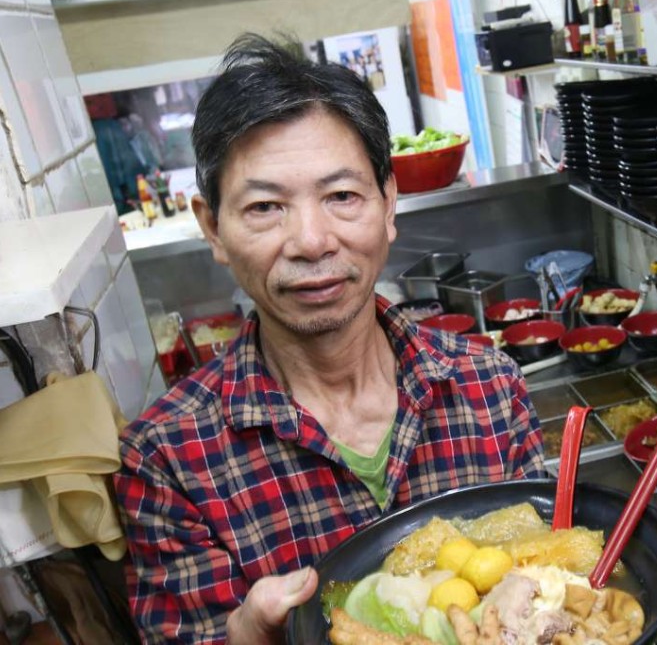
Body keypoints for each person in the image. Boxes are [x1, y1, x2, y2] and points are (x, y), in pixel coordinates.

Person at [114, 33, 546, 644]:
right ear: (213, 228)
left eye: (342, 196)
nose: (312, 241)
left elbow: (551, 581)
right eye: (266, 207)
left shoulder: (488, 386)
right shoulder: (166, 460)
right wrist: (244, 638)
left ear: (389, 203)